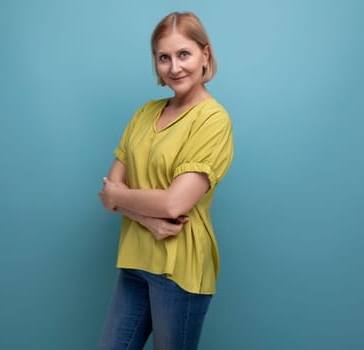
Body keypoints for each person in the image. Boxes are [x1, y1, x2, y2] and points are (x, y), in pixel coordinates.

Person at [98, 11, 234, 350]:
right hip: (135, 260)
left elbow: (175, 203)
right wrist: (147, 219)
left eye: (183, 54)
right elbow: (108, 191)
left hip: (179, 269)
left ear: (205, 54)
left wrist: (121, 198)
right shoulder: (145, 112)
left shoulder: (213, 120)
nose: (174, 67)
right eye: (164, 57)